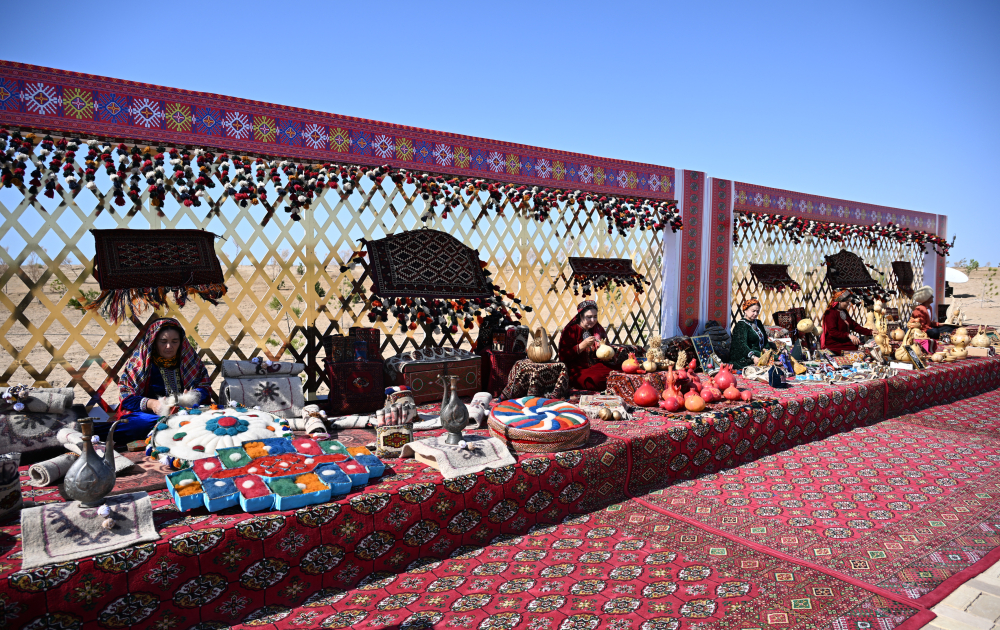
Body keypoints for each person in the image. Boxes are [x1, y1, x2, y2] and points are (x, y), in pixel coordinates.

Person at [103, 318, 213, 443]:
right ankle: (91, 430)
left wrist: (192, 396)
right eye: (163, 341)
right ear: (154, 341)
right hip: (150, 416)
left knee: (211, 420)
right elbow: (126, 397)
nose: (169, 346)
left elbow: (205, 387)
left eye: (175, 341)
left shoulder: (190, 361)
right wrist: (152, 404)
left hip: (184, 413)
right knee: (144, 424)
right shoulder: (139, 364)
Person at [558, 300, 613, 391]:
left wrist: (607, 356)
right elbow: (563, 356)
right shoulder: (571, 330)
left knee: (618, 372)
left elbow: (606, 348)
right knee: (595, 380)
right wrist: (581, 346)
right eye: (589, 317)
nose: (593, 320)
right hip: (577, 371)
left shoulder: (597, 329)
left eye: (595, 316)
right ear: (581, 316)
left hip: (597, 367)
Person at [729, 298, 777, 370]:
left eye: (757, 311)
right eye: (753, 311)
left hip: (759, 352)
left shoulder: (758, 323)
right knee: (773, 358)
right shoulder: (741, 325)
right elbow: (741, 345)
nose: (756, 314)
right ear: (745, 310)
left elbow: (765, 340)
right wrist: (753, 357)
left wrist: (767, 351)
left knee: (779, 354)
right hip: (745, 356)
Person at [820, 290, 872, 354]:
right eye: (847, 302)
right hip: (834, 344)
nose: (848, 304)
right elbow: (832, 332)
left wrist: (870, 332)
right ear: (839, 301)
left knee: (862, 347)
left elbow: (854, 325)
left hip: (844, 342)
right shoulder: (830, 313)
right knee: (859, 350)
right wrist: (849, 335)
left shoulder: (843, 311)